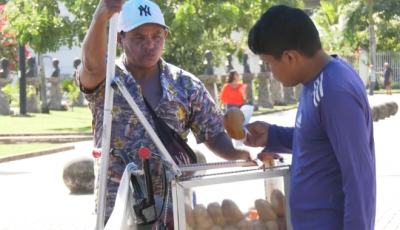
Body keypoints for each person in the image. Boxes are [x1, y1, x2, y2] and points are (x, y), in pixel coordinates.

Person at [78, 0, 251, 228]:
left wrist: (239, 154)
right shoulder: (108, 80)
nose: (149, 44)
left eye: (156, 36)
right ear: (120, 39)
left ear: (165, 36)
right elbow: (90, 67)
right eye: (139, 37)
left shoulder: (186, 85)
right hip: (119, 213)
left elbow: (214, 132)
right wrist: (99, 19)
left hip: (174, 211)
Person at [246, 5, 375, 230]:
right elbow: (318, 138)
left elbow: (359, 179)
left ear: (290, 57)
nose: (270, 72)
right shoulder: (315, 81)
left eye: (269, 63)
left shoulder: (336, 90)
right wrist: (272, 135)